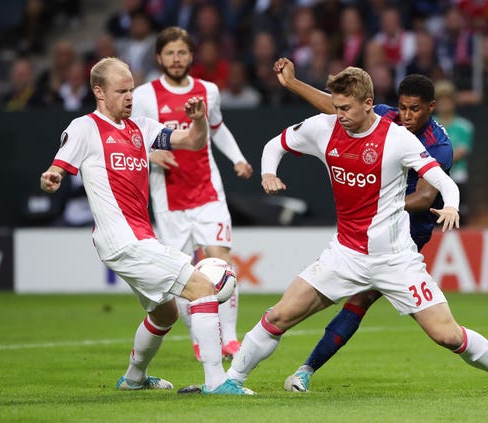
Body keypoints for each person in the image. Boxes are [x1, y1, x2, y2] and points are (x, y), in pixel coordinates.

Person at [223, 66, 488, 396]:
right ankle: (230, 381)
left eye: (345, 107)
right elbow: (276, 144)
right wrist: (268, 171)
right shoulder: (324, 127)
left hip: (397, 258)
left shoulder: (399, 139)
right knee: (280, 314)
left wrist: (452, 205)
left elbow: (440, 182)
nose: (338, 114)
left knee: (447, 335)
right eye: (336, 106)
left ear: (368, 104)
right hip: (345, 254)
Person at [39, 57, 253, 395]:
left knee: (165, 313)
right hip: (123, 240)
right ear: (98, 92)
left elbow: (193, 142)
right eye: (121, 91)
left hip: (138, 237)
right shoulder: (85, 128)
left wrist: (198, 121)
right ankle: (217, 382)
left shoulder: (142, 127)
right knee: (202, 287)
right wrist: (53, 175)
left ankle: (134, 379)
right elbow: (59, 164)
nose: (129, 97)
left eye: (131, 90)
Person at [271, 57, 452, 391]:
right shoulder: (386, 117)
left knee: (361, 299)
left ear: (431, 108)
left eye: (415, 110)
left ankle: (306, 369)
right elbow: (335, 106)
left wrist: (376, 206)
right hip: (371, 227)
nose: (407, 116)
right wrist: (293, 83)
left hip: (408, 232)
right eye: (402, 108)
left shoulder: (439, 146)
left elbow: (426, 197)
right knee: (359, 299)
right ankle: (304, 371)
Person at [132, 27, 253, 362]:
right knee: (184, 274)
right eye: (169, 53)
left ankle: (229, 339)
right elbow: (129, 136)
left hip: (208, 192)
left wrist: (239, 158)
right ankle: (200, 339)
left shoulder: (207, 91)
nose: (176, 59)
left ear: (191, 56)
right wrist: (150, 154)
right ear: (159, 58)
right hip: (169, 199)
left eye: (182, 52)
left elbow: (217, 128)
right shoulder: (144, 96)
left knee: (221, 263)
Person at [434, 79, 474, 224]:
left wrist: (438, 161)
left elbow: (461, 151)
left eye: (447, 100)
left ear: (453, 101)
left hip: (457, 177)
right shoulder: (429, 125)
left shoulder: (464, 126)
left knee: (458, 216)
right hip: (434, 180)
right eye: (441, 100)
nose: (444, 104)